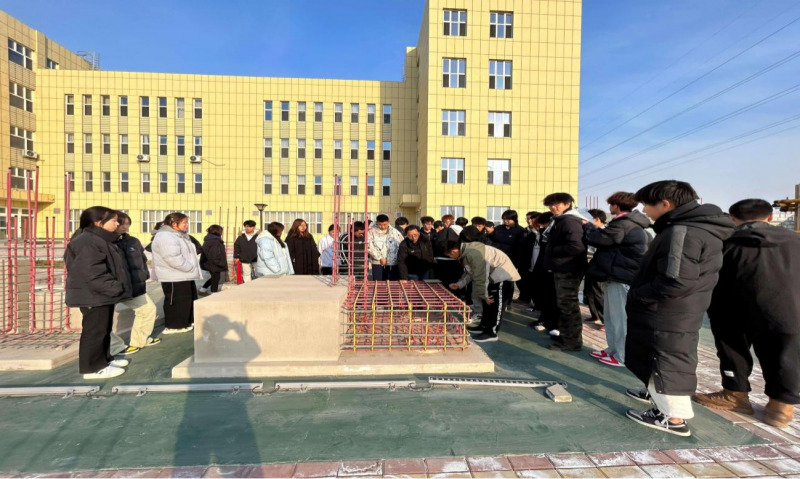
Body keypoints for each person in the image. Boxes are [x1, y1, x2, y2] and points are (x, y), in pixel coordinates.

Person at [624, 180, 733, 438]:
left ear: (665, 204)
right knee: (663, 356)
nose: (644, 211)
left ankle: (672, 418)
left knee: (666, 359)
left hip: (667, 310)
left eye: (647, 205)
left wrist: (639, 295)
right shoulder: (697, 227)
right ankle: (657, 397)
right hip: (680, 308)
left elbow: (676, 281)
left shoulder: (682, 231)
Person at [697, 199, 800, 428]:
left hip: (735, 310)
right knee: (785, 355)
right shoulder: (795, 240)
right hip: (791, 309)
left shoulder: (726, 242)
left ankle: (735, 395)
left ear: (733, 218)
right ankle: (781, 409)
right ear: (770, 217)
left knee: (733, 350)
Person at [64, 207, 132, 380]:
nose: (117, 223)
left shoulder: (101, 239)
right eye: (113, 220)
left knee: (103, 330)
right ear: (97, 222)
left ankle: (104, 360)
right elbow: (90, 273)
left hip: (102, 294)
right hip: (93, 294)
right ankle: (92, 368)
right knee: (94, 332)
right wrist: (115, 287)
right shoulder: (87, 241)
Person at [583, 192, 649, 368]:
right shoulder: (625, 223)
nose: (609, 208)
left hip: (622, 277)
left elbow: (599, 239)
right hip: (616, 275)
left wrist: (588, 226)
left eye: (611, 205)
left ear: (617, 206)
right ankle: (613, 349)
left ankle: (622, 355)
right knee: (612, 317)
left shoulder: (623, 224)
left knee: (620, 319)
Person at [445, 226, 520, 343]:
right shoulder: (466, 253)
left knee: (495, 306)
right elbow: (471, 273)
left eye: (450, 255)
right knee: (487, 304)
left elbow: (480, 276)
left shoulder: (472, 254)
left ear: (454, 251)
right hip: (493, 277)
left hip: (502, 277)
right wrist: (460, 284)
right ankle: (484, 326)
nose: (451, 258)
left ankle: (492, 333)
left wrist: (483, 295)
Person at [542, 194, 587, 352]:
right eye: (550, 205)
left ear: (567, 204)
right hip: (562, 267)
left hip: (568, 269)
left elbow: (576, 246)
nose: (553, 207)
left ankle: (572, 341)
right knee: (562, 304)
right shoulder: (560, 220)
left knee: (568, 305)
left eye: (557, 204)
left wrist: (554, 250)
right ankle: (565, 336)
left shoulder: (570, 220)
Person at [115, 212, 161, 355]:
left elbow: (142, 259)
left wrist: (143, 275)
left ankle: (139, 340)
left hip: (135, 285)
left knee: (148, 310)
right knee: (101, 321)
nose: (125, 226)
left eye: (127, 223)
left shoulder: (133, 241)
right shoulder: (106, 242)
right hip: (114, 287)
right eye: (121, 223)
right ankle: (115, 347)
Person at [151, 212, 204, 334]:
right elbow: (172, 258)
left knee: (186, 300)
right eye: (184, 223)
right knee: (176, 301)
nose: (187, 225)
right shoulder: (166, 236)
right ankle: (174, 325)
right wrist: (189, 268)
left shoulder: (178, 235)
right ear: (174, 223)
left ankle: (186, 321)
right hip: (174, 275)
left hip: (183, 274)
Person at [530, 213, 556, 330]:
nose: (540, 227)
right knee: (543, 295)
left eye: (542, 224)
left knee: (549, 297)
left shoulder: (552, 232)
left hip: (549, 269)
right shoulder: (543, 233)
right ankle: (543, 319)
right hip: (541, 266)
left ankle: (548, 322)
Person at [582, 209, 608, 328]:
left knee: (599, 293)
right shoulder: (591, 231)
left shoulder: (605, 232)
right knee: (588, 291)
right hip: (590, 264)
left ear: (596, 219)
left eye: (587, 219)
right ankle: (595, 315)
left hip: (599, 266)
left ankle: (606, 320)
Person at [368, 214, 404, 280]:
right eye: (380, 224)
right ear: (377, 222)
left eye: (385, 224)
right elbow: (369, 247)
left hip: (393, 263)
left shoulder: (395, 232)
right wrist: (380, 257)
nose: (382, 226)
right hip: (377, 262)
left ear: (388, 222)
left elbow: (401, 245)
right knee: (378, 282)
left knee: (392, 283)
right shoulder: (371, 232)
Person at [517, 211, 541, 305]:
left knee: (536, 283)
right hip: (526, 260)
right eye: (527, 218)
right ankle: (524, 298)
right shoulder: (524, 231)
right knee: (522, 280)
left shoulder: (541, 231)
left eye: (531, 218)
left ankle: (537, 303)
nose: (529, 220)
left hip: (538, 261)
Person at [199, 225, 228, 295]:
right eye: (221, 231)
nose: (222, 232)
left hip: (209, 262)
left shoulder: (210, 239)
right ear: (217, 231)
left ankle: (202, 290)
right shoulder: (215, 241)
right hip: (213, 263)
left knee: (215, 277)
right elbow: (214, 255)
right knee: (215, 278)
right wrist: (221, 263)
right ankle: (213, 293)